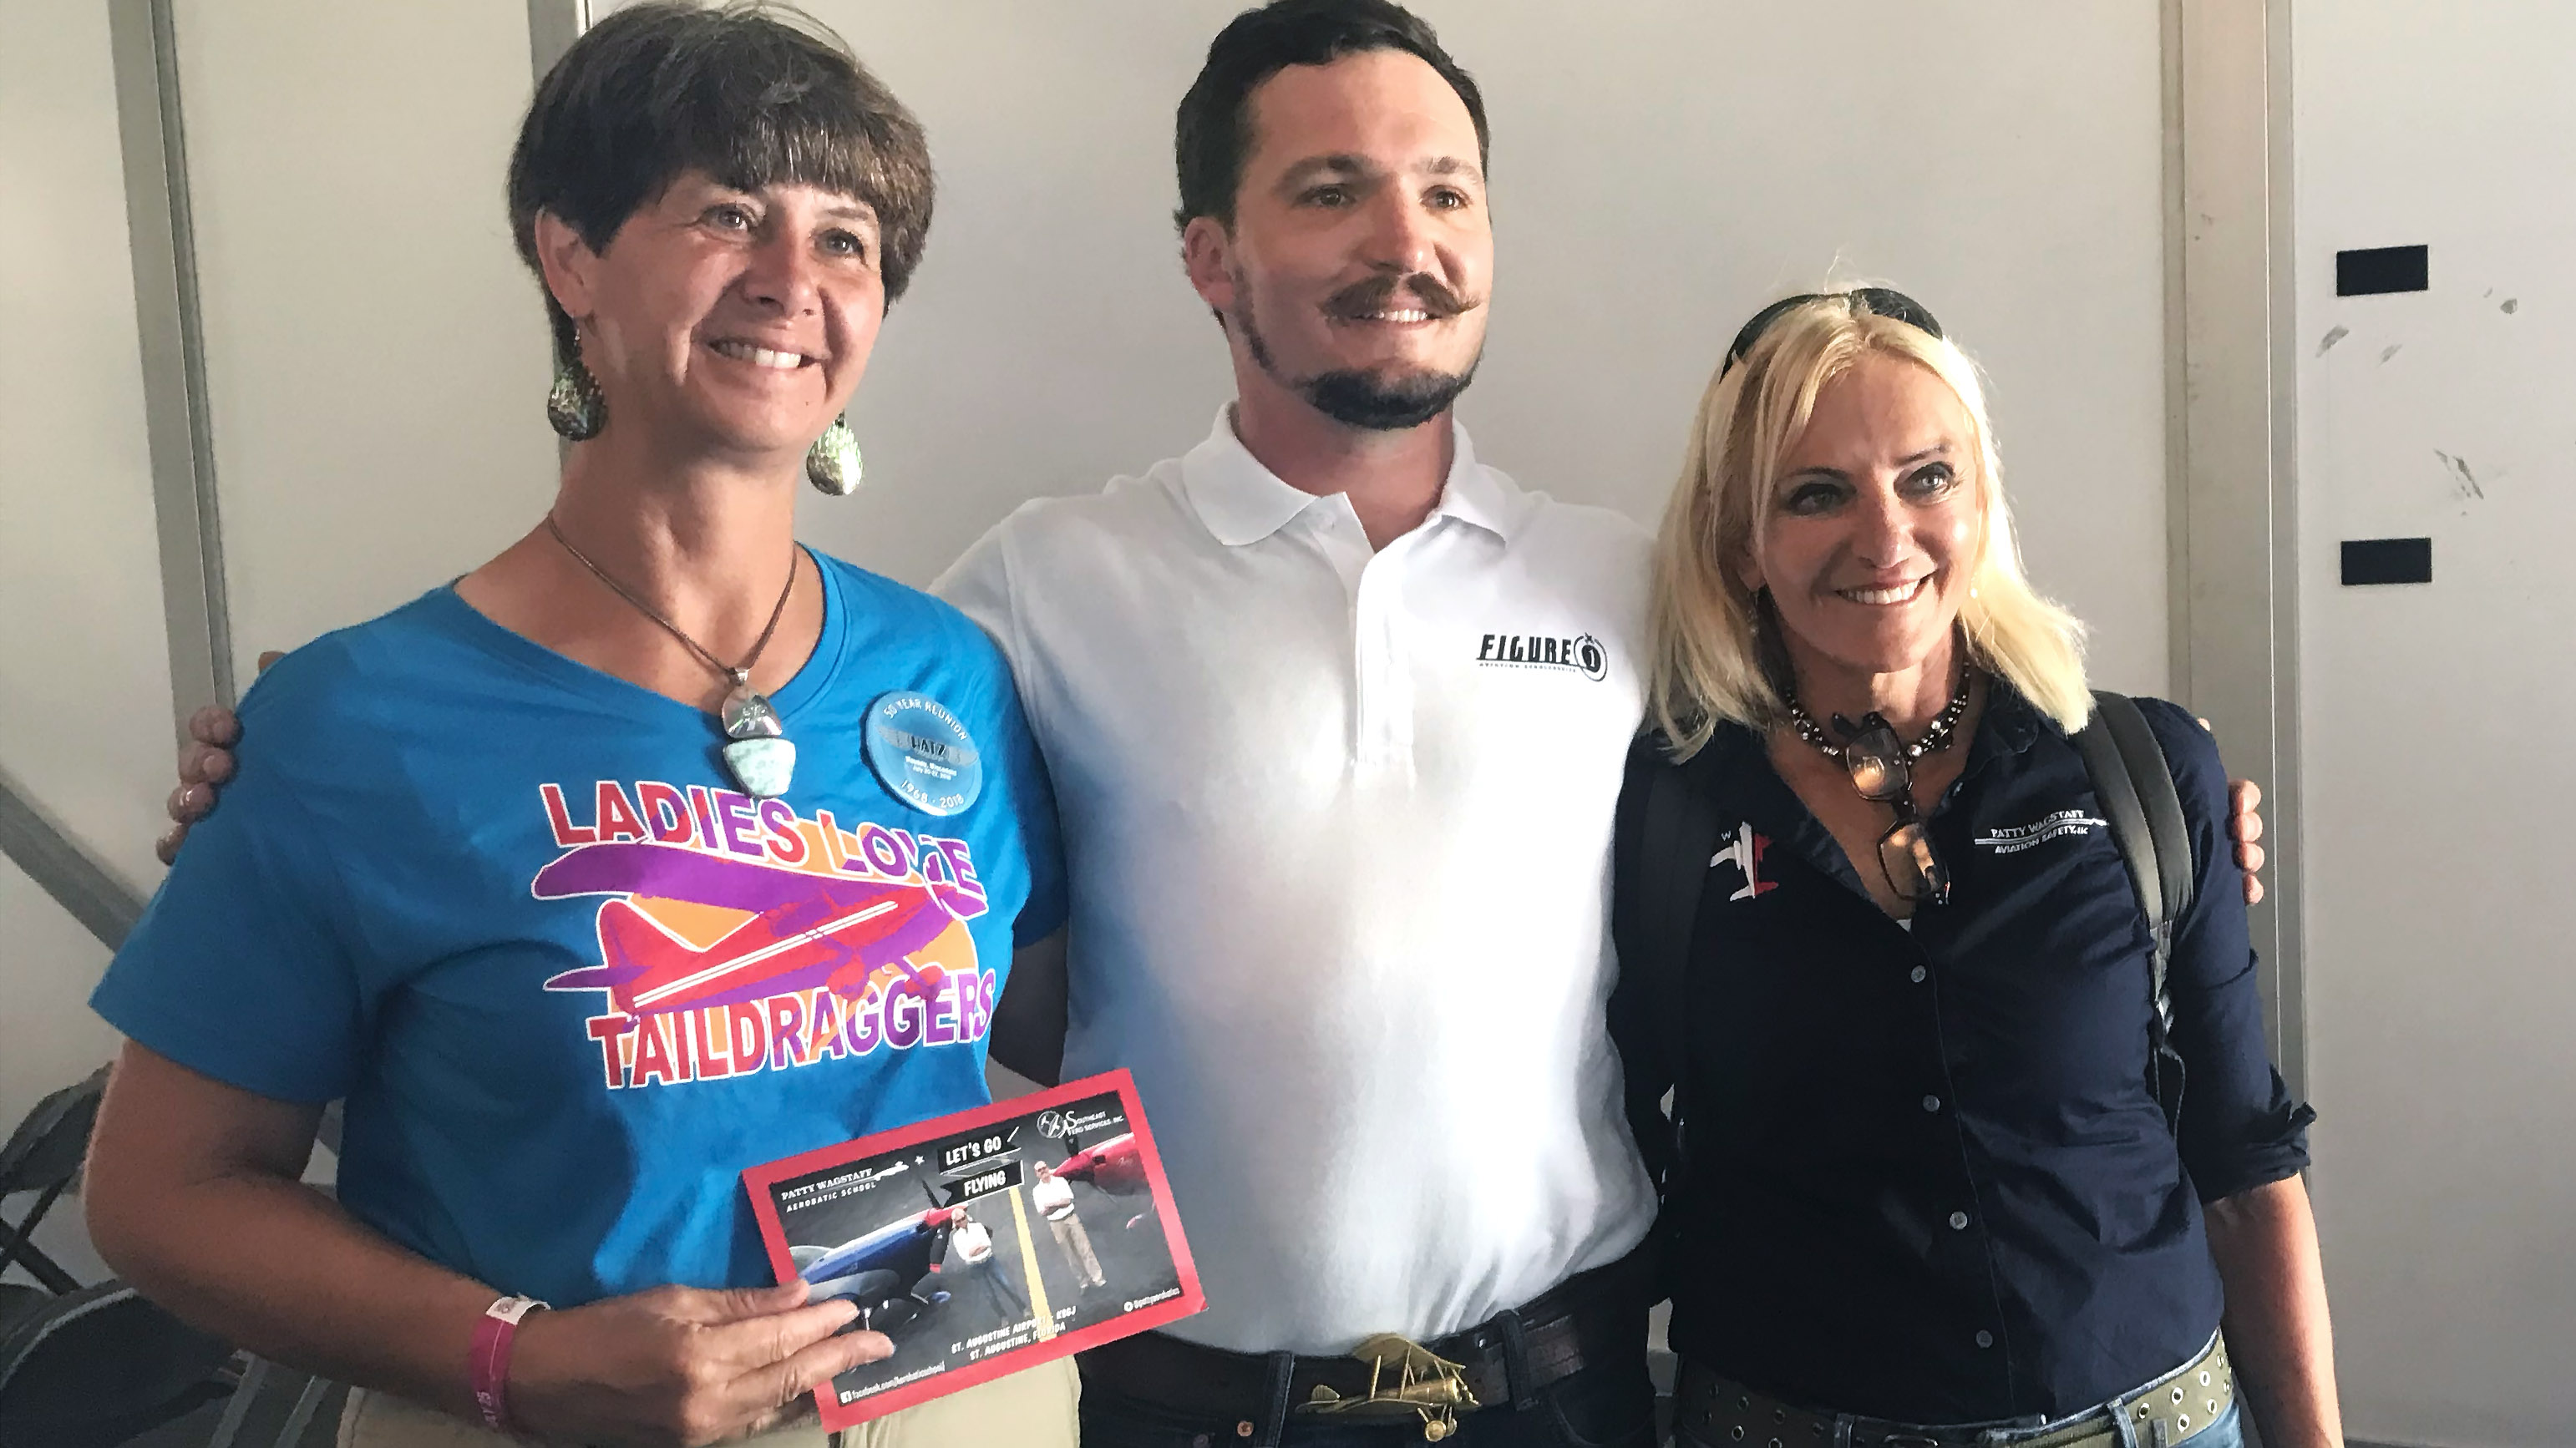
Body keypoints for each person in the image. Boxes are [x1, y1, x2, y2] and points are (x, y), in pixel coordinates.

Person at [155, 5, 2271, 1445]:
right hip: (1163, 1395)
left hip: (1561, 1386)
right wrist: (290, 784)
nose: (1401, 240)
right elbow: (954, 937)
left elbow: (1874, 680)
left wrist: (2146, 813)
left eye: (1444, 191)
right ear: (1209, 254)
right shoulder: (1019, 599)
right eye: (1329, 190)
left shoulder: (1628, 582)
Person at [85, 7, 1077, 1445]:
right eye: (728, 213)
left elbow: (1061, 1020)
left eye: (846, 239)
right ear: (571, 258)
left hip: (964, 1404)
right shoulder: (361, 720)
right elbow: (160, 1192)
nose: (792, 280)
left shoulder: (953, 673)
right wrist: (520, 1357)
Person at [1610, 290, 2340, 1448]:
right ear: (1740, 542)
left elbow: (2246, 1169)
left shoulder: (2145, 770)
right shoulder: (1654, 807)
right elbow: (1598, 1142)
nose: (1885, 537)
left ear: (1983, 500)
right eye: (1816, 493)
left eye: (1928, 478)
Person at [1032, 1162, 1108, 1292]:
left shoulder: (1060, 1181)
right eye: (1040, 1170)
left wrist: (1051, 1205)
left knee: (1085, 1248)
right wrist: (1058, 1203)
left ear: (1048, 1168)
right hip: (1056, 1224)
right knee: (1070, 1254)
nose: (1043, 1171)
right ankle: (1083, 1282)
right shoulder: (1037, 1191)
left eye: (1044, 1168)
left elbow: (1068, 1201)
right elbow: (1043, 1212)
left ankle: (1098, 1278)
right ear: (1036, 1174)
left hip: (1071, 1218)